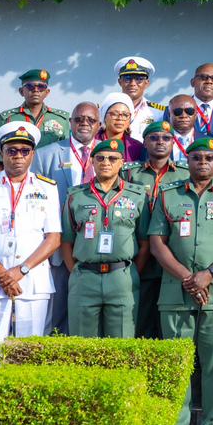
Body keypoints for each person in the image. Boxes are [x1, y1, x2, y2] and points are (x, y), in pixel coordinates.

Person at [148, 137, 213, 425]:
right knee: (177, 364)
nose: (203, 163)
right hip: (176, 292)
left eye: (209, 158)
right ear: (187, 161)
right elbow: (157, 243)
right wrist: (188, 278)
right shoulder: (168, 194)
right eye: (196, 158)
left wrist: (208, 275)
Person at [0, 123, 60, 368]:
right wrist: (4, 275)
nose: (18, 156)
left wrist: (21, 270)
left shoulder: (47, 188)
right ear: (2, 153)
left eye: (24, 151)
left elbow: (53, 238)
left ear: (32, 154)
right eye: (12, 150)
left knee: (30, 353)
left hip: (32, 280)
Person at [60, 139, 149, 338]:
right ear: (92, 161)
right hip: (85, 277)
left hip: (121, 278)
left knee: (122, 343)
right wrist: (75, 271)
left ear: (122, 163)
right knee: (83, 345)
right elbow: (66, 240)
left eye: (112, 158)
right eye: (100, 158)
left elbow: (145, 243)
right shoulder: (76, 196)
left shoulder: (137, 196)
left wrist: (132, 272)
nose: (106, 162)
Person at [32, 101, 101, 333]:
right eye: (79, 119)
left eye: (90, 120)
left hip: (97, 245)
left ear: (99, 125)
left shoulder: (108, 155)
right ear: (70, 123)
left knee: (92, 313)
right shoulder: (46, 155)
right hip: (59, 245)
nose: (84, 123)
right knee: (57, 310)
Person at [122, 121, 191, 339]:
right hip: (139, 253)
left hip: (173, 254)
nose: (160, 142)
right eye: (154, 138)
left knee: (172, 323)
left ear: (173, 142)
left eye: (166, 138)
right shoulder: (129, 173)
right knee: (140, 320)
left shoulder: (185, 173)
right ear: (144, 143)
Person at [0, 69, 69, 170]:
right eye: (30, 86)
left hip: (50, 176)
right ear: (21, 91)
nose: (36, 90)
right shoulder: (7, 118)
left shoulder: (61, 119)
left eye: (41, 86)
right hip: (17, 175)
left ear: (47, 92)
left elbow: (67, 157)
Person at [115, 56, 166, 139]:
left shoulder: (158, 112)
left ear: (147, 83)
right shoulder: (107, 110)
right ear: (120, 82)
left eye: (139, 79)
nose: (133, 83)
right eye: (127, 78)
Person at [97, 92, 144, 162]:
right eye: (114, 114)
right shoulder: (92, 143)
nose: (120, 118)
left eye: (125, 115)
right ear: (104, 116)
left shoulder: (137, 147)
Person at [166, 94, 200, 161]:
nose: (184, 115)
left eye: (189, 111)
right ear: (169, 114)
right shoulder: (156, 141)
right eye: (178, 112)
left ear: (196, 115)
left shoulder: (207, 140)